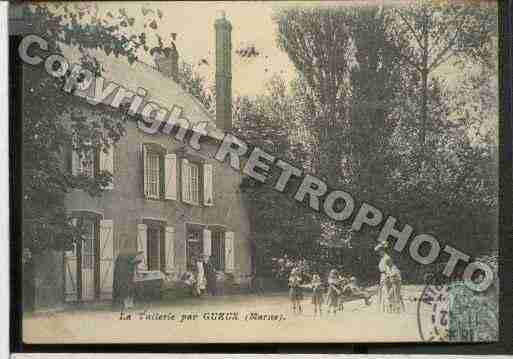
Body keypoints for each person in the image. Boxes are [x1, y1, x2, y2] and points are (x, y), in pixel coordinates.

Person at [375, 242, 392, 312]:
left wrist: (387, 276)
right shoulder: (382, 258)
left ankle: (389, 308)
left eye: (380, 251)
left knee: (385, 291)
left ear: (383, 251)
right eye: (379, 251)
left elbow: (389, 268)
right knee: (382, 291)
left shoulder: (387, 258)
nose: (379, 253)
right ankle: (384, 309)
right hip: (382, 275)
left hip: (386, 275)